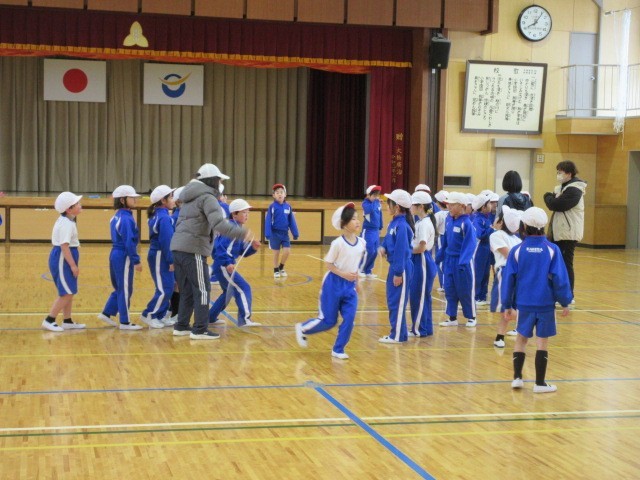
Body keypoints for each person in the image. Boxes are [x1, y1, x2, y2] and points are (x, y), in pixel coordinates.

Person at [170, 163, 248, 340]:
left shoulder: (189, 197)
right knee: (203, 290)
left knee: (187, 290)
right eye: (219, 180)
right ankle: (200, 329)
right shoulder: (207, 197)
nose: (220, 183)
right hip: (194, 249)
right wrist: (242, 233)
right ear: (212, 180)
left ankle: (181, 326)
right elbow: (219, 223)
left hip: (178, 249)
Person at [502, 207, 572, 393]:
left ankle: (517, 378)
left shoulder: (517, 250)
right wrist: (565, 301)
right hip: (545, 304)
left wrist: (507, 304)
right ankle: (540, 383)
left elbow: (508, 279)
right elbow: (560, 278)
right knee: (542, 342)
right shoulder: (552, 249)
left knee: (521, 339)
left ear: (524, 225)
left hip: (524, 304)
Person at [295, 203, 365, 359]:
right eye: (353, 219)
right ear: (344, 224)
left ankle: (338, 349)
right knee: (328, 321)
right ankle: (303, 328)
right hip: (333, 284)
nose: (357, 221)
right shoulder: (337, 243)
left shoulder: (362, 243)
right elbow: (328, 264)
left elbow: (357, 265)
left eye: (357, 218)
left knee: (350, 318)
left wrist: (358, 281)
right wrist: (343, 274)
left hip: (350, 286)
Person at [208, 199, 263, 327]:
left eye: (248, 212)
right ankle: (245, 320)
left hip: (223, 265)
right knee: (244, 288)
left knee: (228, 292)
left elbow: (241, 251)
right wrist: (227, 263)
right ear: (234, 214)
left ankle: (210, 317)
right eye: (244, 212)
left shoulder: (237, 228)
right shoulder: (231, 229)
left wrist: (253, 248)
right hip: (223, 266)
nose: (247, 215)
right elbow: (220, 248)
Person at [98, 185, 144, 330]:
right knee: (125, 289)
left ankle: (107, 312)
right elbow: (129, 242)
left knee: (120, 287)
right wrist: (136, 260)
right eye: (132, 197)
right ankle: (125, 322)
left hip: (115, 253)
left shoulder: (116, 216)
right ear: (123, 200)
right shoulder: (126, 219)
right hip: (123, 255)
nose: (135, 200)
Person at [42, 191, 85, 332]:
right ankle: (49, 320)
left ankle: (67, 321)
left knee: (69, 290)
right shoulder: (66, 224)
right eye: (77, 204)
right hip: (62, 258)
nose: (80, 205)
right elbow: (64, 246)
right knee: (67, 292)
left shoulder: (68, 221)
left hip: (65, 256)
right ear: (69, 209)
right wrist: (73, 265)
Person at [543, 160, 586, 300]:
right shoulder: (561, 188)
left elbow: (556, 204)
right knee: (556, 264)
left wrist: (547, 196)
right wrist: (551, 197)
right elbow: (553, 201)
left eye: (560, 172)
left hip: (568, 233)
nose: (558, 175)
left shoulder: (575, 190)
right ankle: (557, 293)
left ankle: (568, 295)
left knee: (566, 264)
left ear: (569, 173)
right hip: (559, 232)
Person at [435, 191, 478, 328]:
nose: (449, 207)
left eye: (453, 205)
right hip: (449, 260)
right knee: (449, 289)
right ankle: (452, 317)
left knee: (465, 290)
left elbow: (470, 245)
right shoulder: (448, 221)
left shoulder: (466, 223)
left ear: (462, 206)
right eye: (448, 204)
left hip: (462, 262)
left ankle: (471, 317)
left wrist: (463, 262)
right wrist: (439, 257)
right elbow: (446, 242)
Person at [378, 189, 414, 344]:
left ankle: (397, 335)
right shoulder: (394, 223)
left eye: (389, 204)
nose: (387, 206)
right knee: (393, 300)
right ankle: (400, 333)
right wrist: (383, 247)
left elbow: (401, 250)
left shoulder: (402, 226)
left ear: (397, 207)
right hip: (394, 266)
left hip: (401, 267)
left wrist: (399, 273)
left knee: (397, 302)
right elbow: (388, 240)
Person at [141, 185, 177, 329]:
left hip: (160, 255)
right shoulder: (163, 218)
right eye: (171, 197)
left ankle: (160, 315)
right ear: (163, 200)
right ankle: (149, 314)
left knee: (167, 286)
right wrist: (171, 260)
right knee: (165, 288)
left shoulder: (159, 215)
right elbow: (166, 241)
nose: (173, 200)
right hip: (160, 255)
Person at [489, 206, 523, 346]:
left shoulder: (500, 236)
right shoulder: (509, 238)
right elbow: (513, 256)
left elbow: (510, 255)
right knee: (505, 306)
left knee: (506, 305)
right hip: (511, 271)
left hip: (509, 272)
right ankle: (500, 337)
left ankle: (527, 320)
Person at [409, 191, 437, 337]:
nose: (410, 207)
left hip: (422, 260)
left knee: (418, 296)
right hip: (420, 260)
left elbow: (422, 247)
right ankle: (425, 327)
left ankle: (419, 329)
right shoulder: (420, 222)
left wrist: (407, 251)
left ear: (420, 206)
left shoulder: (424, 224)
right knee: (421, 296)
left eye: (413, 205)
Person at [265, 183, 299, 279]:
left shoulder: (288, 207)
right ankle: (276, 269)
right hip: (275, 234)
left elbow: (292, 221)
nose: (279, 194)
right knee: (276, 253)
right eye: (277, 192)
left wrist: (295, 233)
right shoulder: (272, 207)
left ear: (285, 194)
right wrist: (267, 233)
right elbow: (268, 220)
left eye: (281, 192)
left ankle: (281, 267)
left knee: (287, 251)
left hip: (285, 234)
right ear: (273, 195)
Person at [472, 193, 493, 306]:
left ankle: (482, 296)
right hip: (479, 249)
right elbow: (480, 235)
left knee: (486, 273)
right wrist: (492, 228)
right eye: (489, 203)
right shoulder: (478, 219)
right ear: (483, 207)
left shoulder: (486, 218)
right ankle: (476, 296)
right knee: (478, 273)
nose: (491, 205)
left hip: (487, 248)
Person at [359, 185, 383, 279]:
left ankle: (368, 270)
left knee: (374, 252)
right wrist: (376, 201)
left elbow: (380, 215)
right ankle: (360, 269)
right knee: (368, 250)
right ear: (368, 195)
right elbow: (369, 210)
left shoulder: (377, 203)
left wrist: (380, 227)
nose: (376, 197)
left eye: (377, 195)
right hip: (368, 230)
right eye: (374, 195)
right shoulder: (365, 203)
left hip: (376, 230)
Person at [433, 190, 449, 292]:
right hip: (450, 238)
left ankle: (443, 285)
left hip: (441, 237)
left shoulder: (439, 214)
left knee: (441, 261)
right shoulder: (450, 213)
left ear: (439, 203)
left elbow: (434, 228)